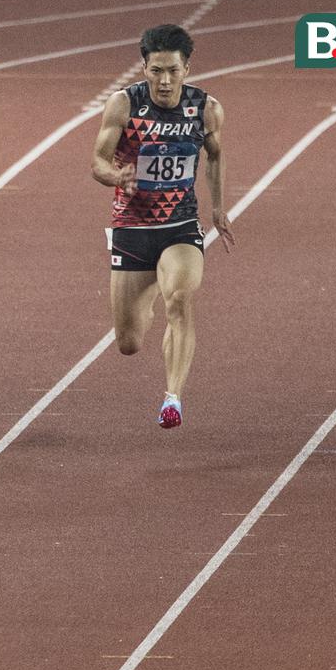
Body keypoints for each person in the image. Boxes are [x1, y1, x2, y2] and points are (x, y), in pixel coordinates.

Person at [91, 24, 234, 429]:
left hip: (180, 225)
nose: (165, 81)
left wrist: (218, 208)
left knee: (181, 299)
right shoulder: (124, 104)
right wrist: (116, 176)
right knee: (128, 342)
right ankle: (152, 285)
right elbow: (98, 161)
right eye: (156, 71)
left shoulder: (206, 108)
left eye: (173, 70)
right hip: (132, 226)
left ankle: (173, 398)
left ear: (187, 68)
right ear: (145, 68)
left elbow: (215, 155)